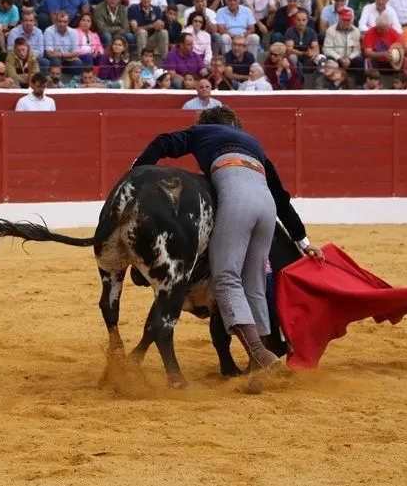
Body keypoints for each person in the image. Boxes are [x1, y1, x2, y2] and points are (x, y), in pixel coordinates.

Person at [131, 106, 324, 382]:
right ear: (234, 124)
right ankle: (258, 365)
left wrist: (137, 170)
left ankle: (260, 354)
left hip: (236, 198)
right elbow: (281, 200)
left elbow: (164, 142)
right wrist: (303, 241)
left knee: (225, 279)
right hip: (266, 208)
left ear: (206, 123)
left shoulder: (202, 132)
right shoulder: (254, 144)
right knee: (253, 284)